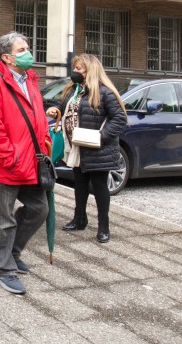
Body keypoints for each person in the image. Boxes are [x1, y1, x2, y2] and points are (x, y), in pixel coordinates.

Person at [0, 32, 50, 295]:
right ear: (6, 57)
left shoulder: (30, 80)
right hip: (7, 165)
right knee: (1, 218)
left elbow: (38, 117)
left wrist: (46, 143)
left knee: (39, 210)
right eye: (22, 49)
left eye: (28, 47)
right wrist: (10, 157)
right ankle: (1, 268)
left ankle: (12, 253)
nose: (29, 53)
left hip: (32, 162)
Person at [46, 53, 127, 244]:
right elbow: (64, 106)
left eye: (78, 69)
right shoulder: (73, 90)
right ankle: (79, 219)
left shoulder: (104, 92)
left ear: (90, 70)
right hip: (77, 146)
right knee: (79, 184)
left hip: (98, 148)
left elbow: (119, 119)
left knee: (99, 187)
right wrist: (56, 110)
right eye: (74, 68)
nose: (74, 72)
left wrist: (101, 137)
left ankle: (103, 227)